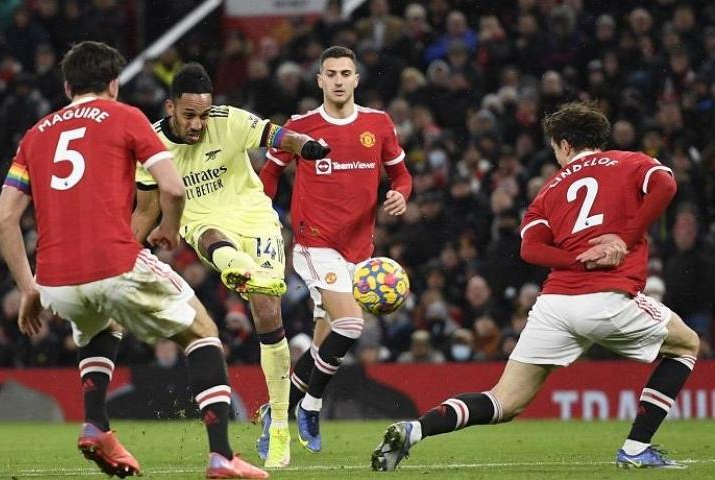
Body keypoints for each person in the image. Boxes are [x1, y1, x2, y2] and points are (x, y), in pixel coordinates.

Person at [371, 102, 700, 471]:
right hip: (607, 296)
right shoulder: (629, 161)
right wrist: (622, 239)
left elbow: (531, 249)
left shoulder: (548, 191)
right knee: (686, 344)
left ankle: (416, 429)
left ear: (563, 145)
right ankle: (637, 448)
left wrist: (576, 259)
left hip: (554, 305)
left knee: (504, 400)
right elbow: (666, 184)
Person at [0, 41, 267, 479]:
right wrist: (171, 228)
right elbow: (173, 189)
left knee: (104, 322)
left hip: (55, 280)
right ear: (114, 85)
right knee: (203, 333)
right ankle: (221, 456)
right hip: (114, 261)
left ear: (67, 87)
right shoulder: (126, 116)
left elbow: (4, 219)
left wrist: (29, 287)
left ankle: (95, 423)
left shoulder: (36, 133)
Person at [131, 62, 329, 469]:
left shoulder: (230, 120)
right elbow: (147, 209)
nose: (199, 124)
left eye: (204, 114)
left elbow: (276, 134)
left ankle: (278, 428)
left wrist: (305, 144)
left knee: (268, 310)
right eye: (189, 116)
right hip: (204, 221)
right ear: (170, 107)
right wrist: (123, 253)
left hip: (255, 219)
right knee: (208, 237)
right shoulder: (149, 145)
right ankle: (237, 266)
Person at [259, 45, 412, 455]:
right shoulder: (300, 127)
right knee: (351, 325)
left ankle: (277, 413)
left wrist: (400, 194)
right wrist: (262, 218)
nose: (340, 80)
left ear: (357, 79)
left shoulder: (378, 124)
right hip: (314, 244)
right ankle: (310, 405)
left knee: (323, 343)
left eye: (346, 73)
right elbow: (269, 174)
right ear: (320, 81)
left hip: (359, 251)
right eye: (332, 73)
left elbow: (401, 174)